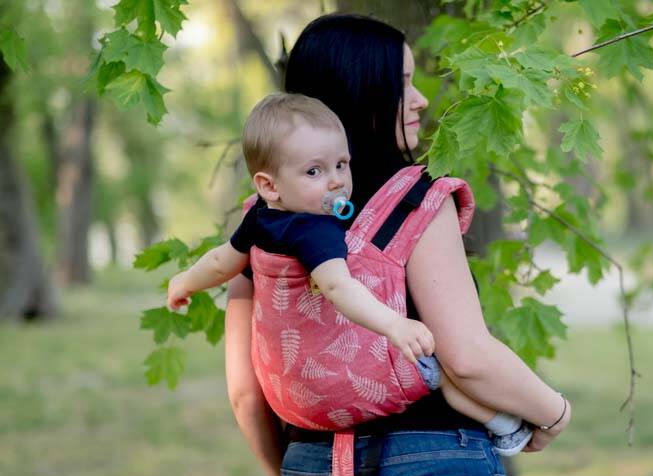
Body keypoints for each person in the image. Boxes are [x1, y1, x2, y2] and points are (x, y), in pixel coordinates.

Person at [223, 13, 572, 476]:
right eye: (402, 83)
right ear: (365, 91)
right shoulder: (417, 199)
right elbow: (466, 356)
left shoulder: (264, 218)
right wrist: (553, 413)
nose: (420, 98)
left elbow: (244, 390)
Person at [167, 92, 535, 456]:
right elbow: (339, 287)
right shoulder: (316, 232)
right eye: (315, 171)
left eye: (341, 164)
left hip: (297, 399)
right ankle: (506, 427)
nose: (335, 182)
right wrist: (395, 324)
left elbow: (220, 262)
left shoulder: (259, 218)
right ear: (268, 185)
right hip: (354, 377)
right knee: (440, 369)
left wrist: (184, 282)